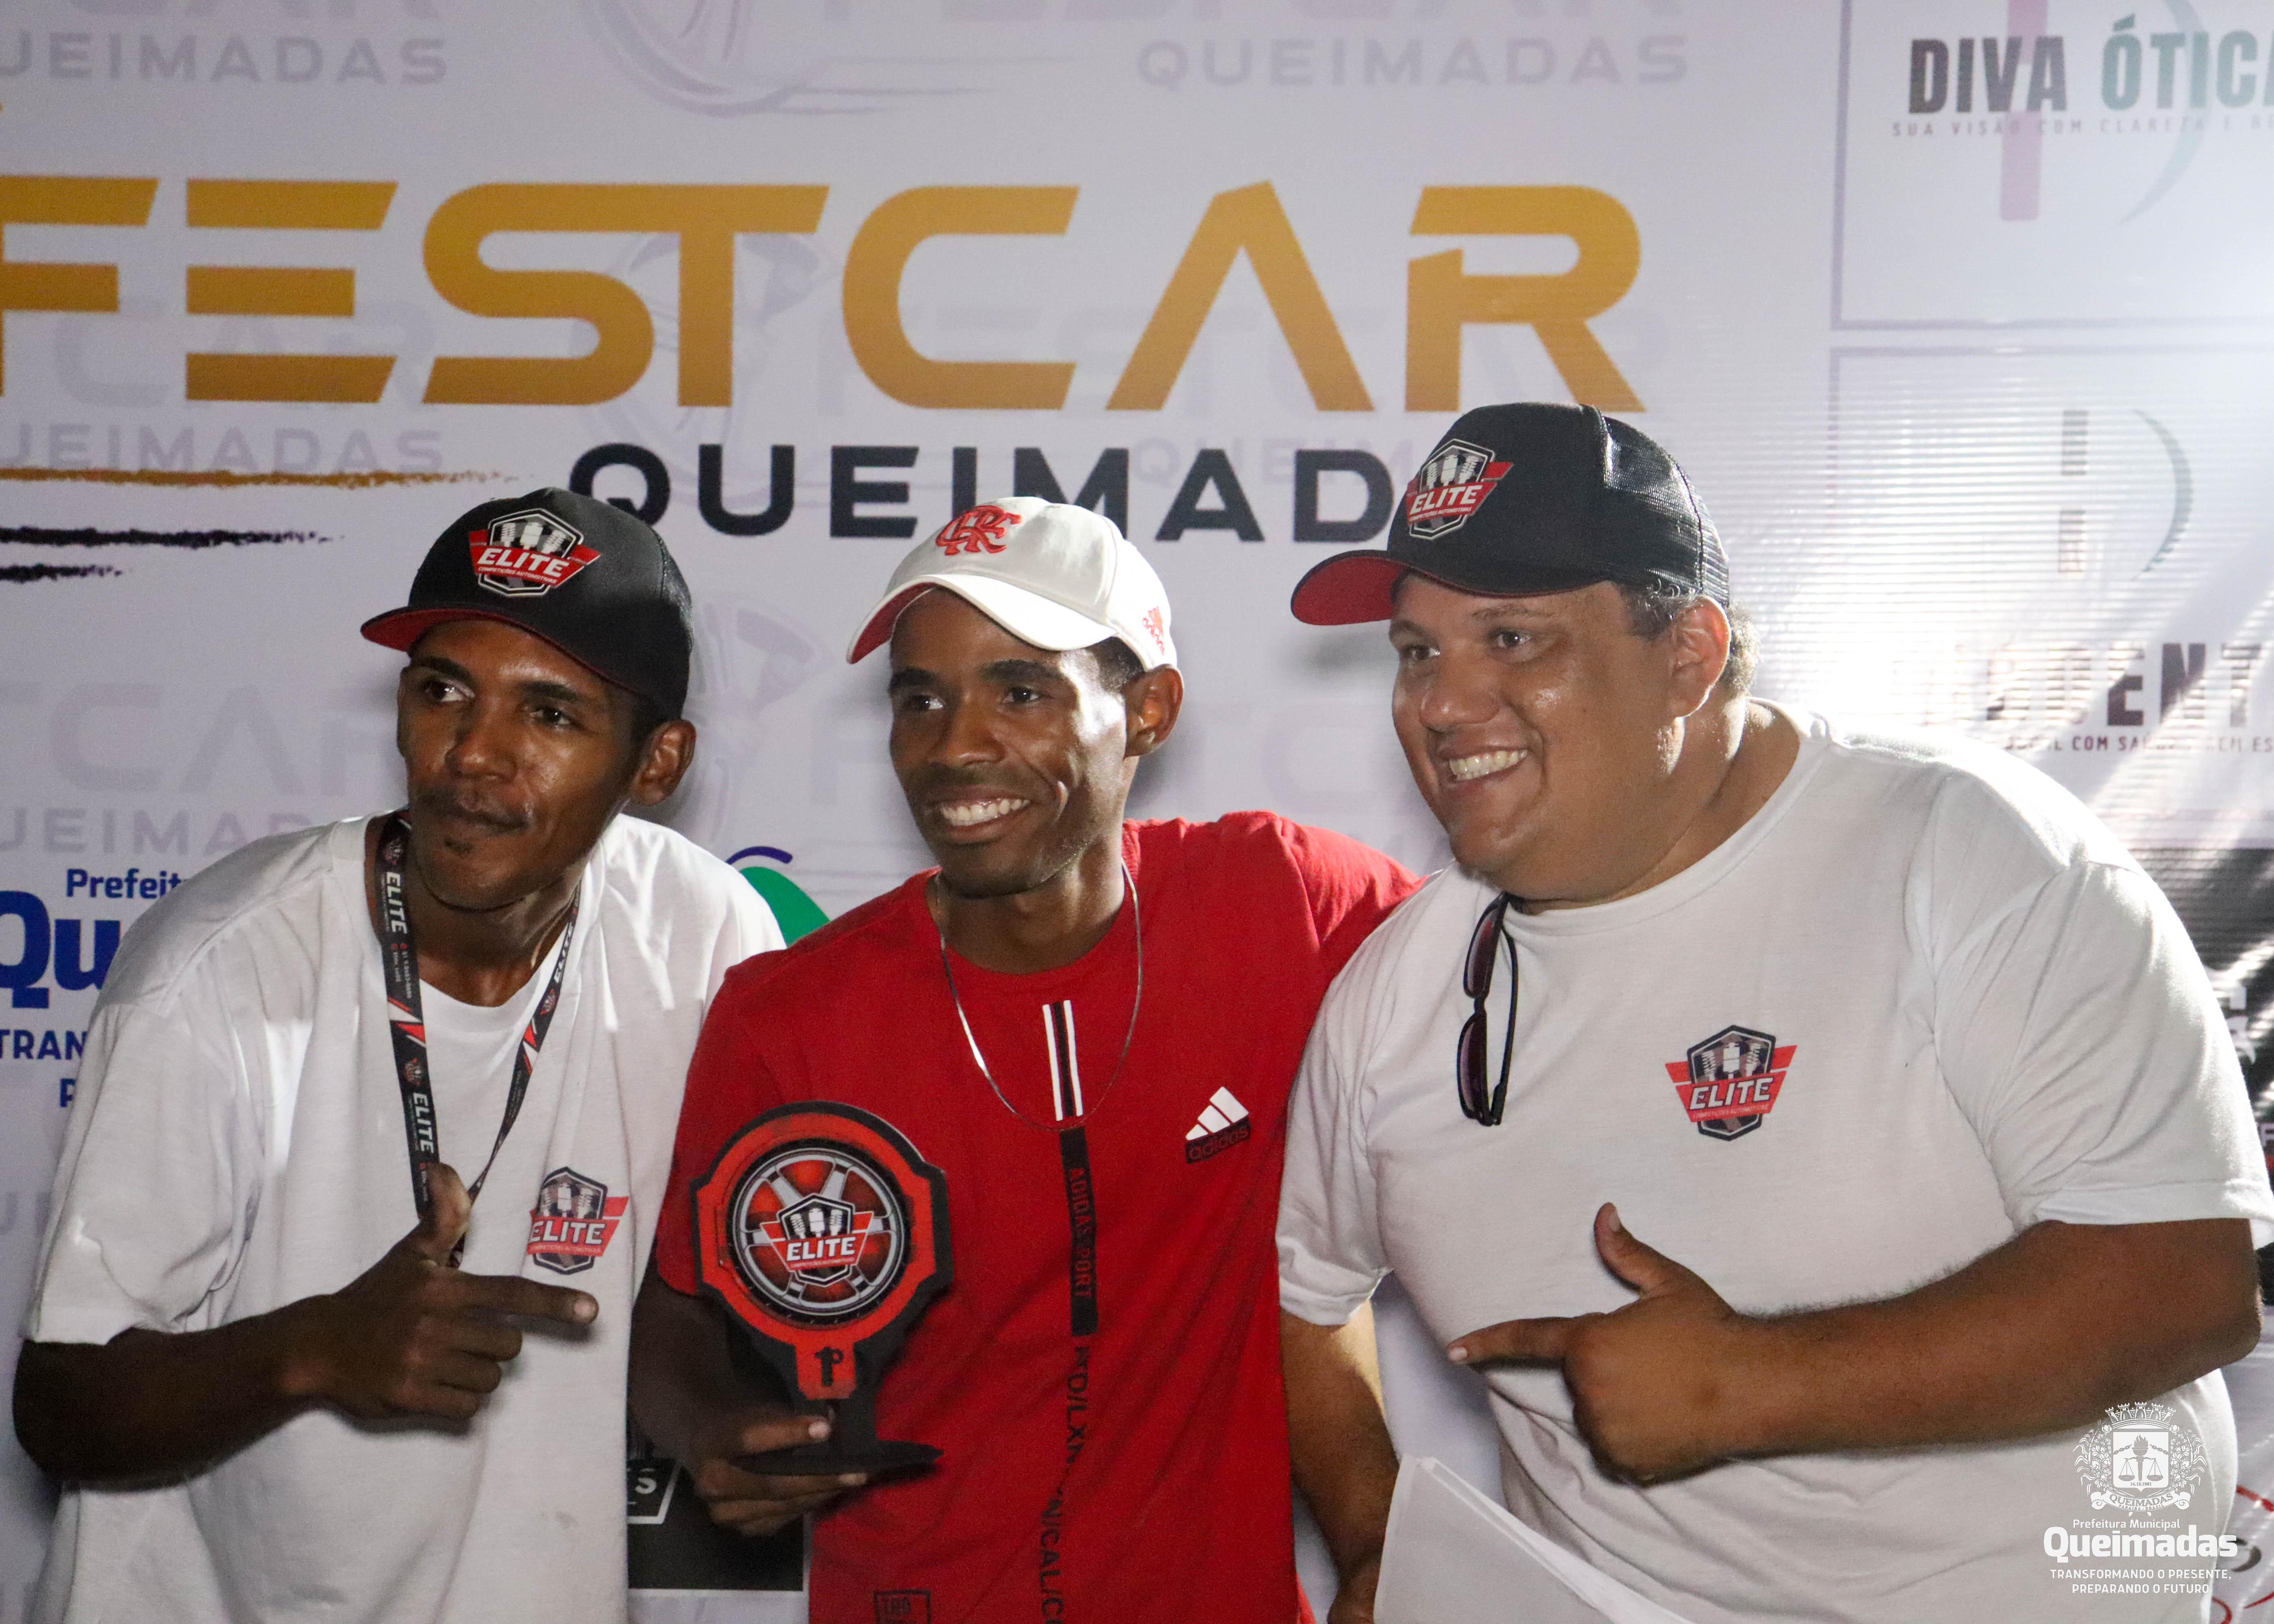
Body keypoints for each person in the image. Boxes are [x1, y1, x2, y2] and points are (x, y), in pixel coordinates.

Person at [1274, 403, 2274, 1624]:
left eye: (1514, 638)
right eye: (1418, 651)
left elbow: (2182, 1282)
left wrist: (1752, 1384)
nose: (1440, 703)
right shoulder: (1401, 992)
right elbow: (1305, 1294)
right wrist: (1376, 1549)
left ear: (1689, 655)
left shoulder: (1968, 856)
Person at [14, 488, 799, 1624]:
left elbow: (667, 1304)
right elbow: (59, 1405)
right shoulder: (220, 968)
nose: (473, 754)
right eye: (443, 691)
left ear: (657, 763)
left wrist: (718, 1430)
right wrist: (312, 1349)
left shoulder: (706, 932)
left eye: (550, 715)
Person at [631, 496, 1417, 1624]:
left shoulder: (1281, 900)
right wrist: (712, 1426)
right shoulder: (789, 1014)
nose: (956, 747)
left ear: (1147, 710)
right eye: (921, 700)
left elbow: (1534, 966)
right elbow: (678, 1313)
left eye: (1020, 692)